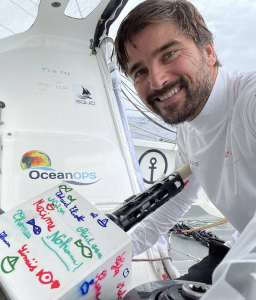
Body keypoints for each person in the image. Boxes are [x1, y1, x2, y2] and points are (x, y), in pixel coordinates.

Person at [115, 0, 256, 293]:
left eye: (169, 53)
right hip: (240, 245)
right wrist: (114, 253)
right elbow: (178, 200)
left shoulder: (249, 101)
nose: (156, 80)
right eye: (139, 71)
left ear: (208, 51)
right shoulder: (189, 132)